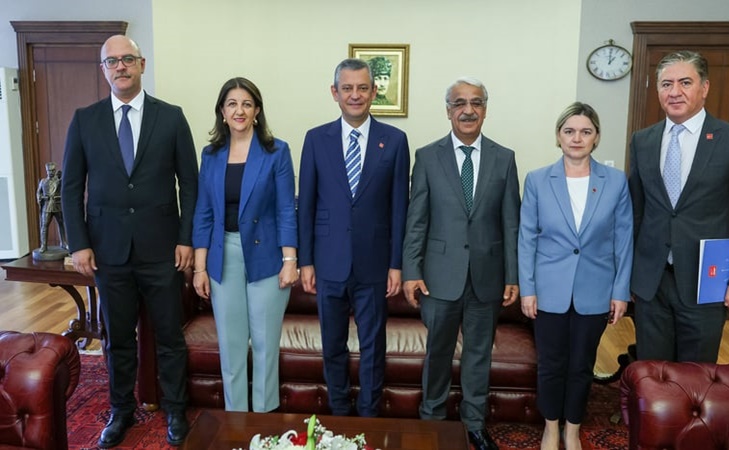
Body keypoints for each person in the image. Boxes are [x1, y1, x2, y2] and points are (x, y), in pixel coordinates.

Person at [61, 35, 197, 448]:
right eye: (112, 61)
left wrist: (186, 238)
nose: (120, 66)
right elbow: (71, 188)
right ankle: (121, 411)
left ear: (141, 64)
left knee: (169, 336)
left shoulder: (171, 117)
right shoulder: (85, 120)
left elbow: (190, 184)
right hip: (108, 251)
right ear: (103, 69)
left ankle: (175, 409)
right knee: (117, 338)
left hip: (162, 249)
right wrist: (78, 244)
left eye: (127, 59)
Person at [402, 77, 520, 450]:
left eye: (476, 103)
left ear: (485, 109)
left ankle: (474, 425)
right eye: (459, 103)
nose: (468, 110)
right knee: (437, 353)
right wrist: (411, 271)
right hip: (438, 277)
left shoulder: (504, 158)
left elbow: (511, 223)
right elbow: (416, 220)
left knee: (478, 355)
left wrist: (513, 275)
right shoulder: (427, 156)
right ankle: (432, 420)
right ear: (448, 110)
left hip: (487, 276)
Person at [628, 50, 729, 363]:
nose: (674, 92)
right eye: (666, 84)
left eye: (685, 82)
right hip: (652, 281)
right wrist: (630, 275)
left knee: (697, 374)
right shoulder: (642, 141)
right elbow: (636, 212)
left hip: (707, 281)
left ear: (704, 88)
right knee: (652, 372)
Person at [297, 58, 410, 417]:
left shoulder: (395, 140)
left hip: (374, 264)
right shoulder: (316, 139)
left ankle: (369, 416)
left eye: (362, 88)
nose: (355, 95)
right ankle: (339, 415)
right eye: (347, 88)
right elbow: (306, 205)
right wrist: (305, 261)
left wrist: (396, 264)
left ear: (374, 92)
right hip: (328, 262)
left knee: (373, 347)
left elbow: (399, 208)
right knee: (332, 346)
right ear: (335, 92)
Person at [518, 102, 633, 450]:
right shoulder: (538, 180)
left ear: (596, 137)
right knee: (551, 365)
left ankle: (572, 428)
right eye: (569, 131)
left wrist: (620, 291)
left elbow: (623, 239)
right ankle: (551, 427)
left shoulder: (615, 181)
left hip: (595, 289)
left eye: (585, 131)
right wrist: (528, 289)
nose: (577, 138)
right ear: (558, 136)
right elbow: (526, 238)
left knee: (582, 365)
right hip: (548, 289)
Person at [191, 77, 298, 413]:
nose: (240, 110)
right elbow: (203, 213)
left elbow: (286, 209)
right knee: (231, 347)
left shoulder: (276, 151)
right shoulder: (210, 155)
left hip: (267, 256)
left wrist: (290, 260)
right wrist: (199, 268)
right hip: (222, 256)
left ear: (257, 111)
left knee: (265, 346)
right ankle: (235, 423)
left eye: (247, 104)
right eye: (232, 104)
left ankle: (264, 424)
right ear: (222, 112)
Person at [36, 161, 67, 253]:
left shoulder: (59, 181)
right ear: (47, 171)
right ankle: (43, 245)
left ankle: (63, 242)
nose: (51, 172)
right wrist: (41, 198)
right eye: (49, 171)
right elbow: (38, 193)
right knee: (44, 225)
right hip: (47, 206)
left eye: (53, 170)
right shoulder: (43, 182)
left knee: (61, 224)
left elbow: (64, 191)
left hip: (57, 205)